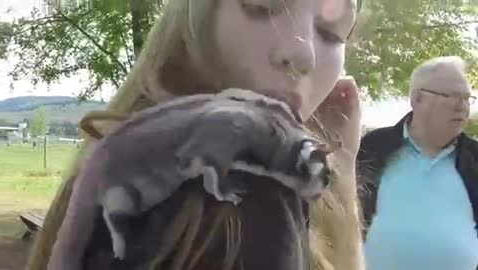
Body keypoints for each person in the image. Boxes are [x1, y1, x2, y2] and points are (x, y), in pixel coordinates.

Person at [26, 0, 365, 269]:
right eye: (261, 6)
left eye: (332, 32)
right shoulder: (239, 198)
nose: (304, 54)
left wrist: (344, 171)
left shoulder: (118, 145)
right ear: (196, 17)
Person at [357, 56, 478, 270]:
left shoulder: (475, 157)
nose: (463, 107)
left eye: (467, 98)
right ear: (417, 99)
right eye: (452, 96)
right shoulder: (373, 147)